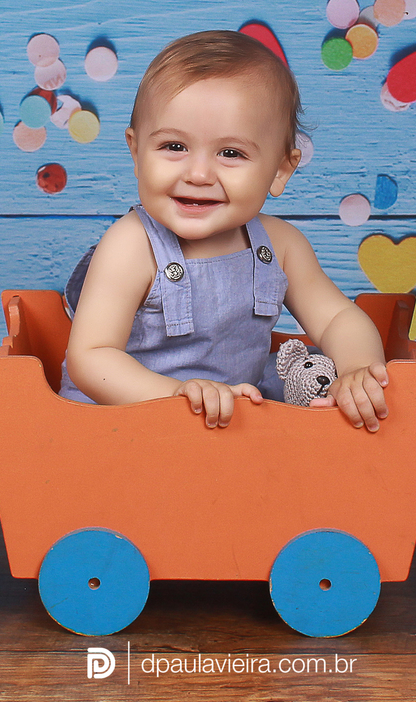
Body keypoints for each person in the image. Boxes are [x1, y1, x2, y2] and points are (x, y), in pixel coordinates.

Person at [61, 30, 389, 430]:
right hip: (122, 427)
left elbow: (338, 317)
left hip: (232, 429)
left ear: (280, 170)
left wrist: (357, 369)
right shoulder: (132, 245)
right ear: (136, 151)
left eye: (231, 153)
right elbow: (91, 356)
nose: (198, 174)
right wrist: (175, 396)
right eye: (174, 147)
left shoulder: (280, 246)